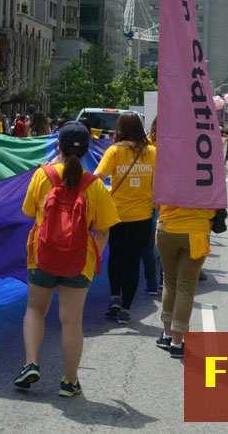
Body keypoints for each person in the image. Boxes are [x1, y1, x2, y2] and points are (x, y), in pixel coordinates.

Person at [13, 120, 116, 396]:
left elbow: (27, 212)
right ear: (86, 150)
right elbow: (103, 230)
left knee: (36, 309)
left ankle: (30, 363)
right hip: (79, 261)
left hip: (41, 256)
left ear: (57, 146)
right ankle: (69, 382)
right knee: (71, 321)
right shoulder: (94, 185)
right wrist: (95, 257)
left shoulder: (42, 176)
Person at [93, 112, 155, 324]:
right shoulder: (153, 153)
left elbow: (96, 178)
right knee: (133, 261)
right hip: (143, 216)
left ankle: (114, 298)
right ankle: (126, 309)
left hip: (116, 214)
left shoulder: (114, 151)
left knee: (116, 258)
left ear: (120, 129)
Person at [154, 196, 215, 358]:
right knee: (186, 286)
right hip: (196, 232)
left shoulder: (165, 170)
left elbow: (156, 204)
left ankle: (167, 335)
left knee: (169, 281)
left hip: (166, 228)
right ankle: (177, 342)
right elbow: (213, 210)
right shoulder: (209, 169)